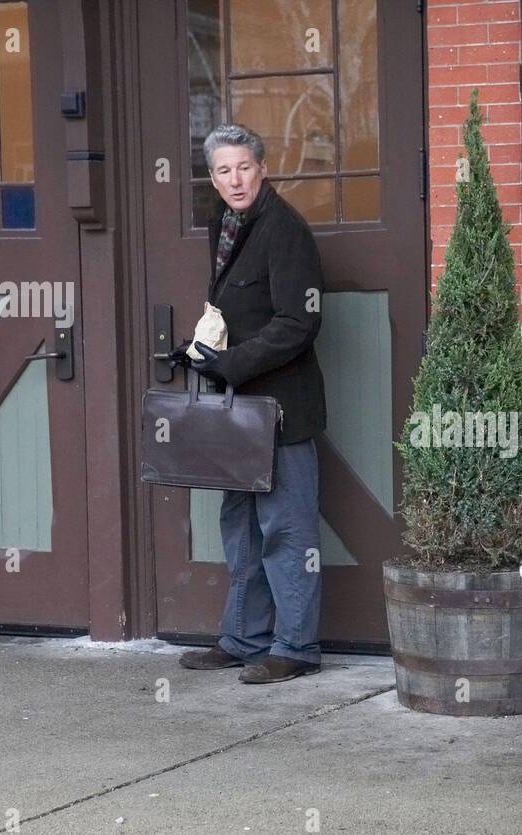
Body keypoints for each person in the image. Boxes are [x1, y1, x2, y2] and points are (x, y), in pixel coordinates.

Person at [174, 124, 326, 684]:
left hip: (282, 410)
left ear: (262, 169)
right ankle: (243, 638)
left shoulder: (284, 229)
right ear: (212, 179)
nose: (234, 179)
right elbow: (232, 310)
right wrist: (201, 352)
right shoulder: (227, 224)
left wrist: (230, 363)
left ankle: (296, 648)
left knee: (287, 531)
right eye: (222, 170)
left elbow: (298, 323)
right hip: (238, 410)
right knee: (241, 527)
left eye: (243, 167)